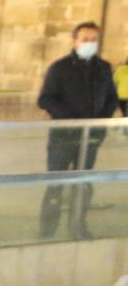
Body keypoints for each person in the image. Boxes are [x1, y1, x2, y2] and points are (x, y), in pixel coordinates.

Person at [36, 21, 116, 240]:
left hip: (91, 138)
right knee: (57, 184)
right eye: (85, 39)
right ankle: (48, 231)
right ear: (74, 41)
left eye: (94, 40)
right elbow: (45, 99)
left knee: (83, 184)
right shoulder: (60, 68)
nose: (89, 43)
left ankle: (77, 227)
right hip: (64, 138)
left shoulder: (103, 68)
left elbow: (110, 99)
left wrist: (100, 123)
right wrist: (72, 119)